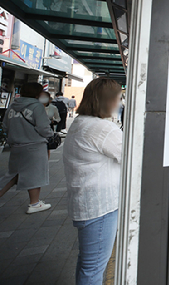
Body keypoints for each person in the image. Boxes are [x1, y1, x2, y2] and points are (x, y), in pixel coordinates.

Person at [63, 78, 123, 284]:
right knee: (94, 268)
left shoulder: (82, 122)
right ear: (107, 101)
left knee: (89, 263)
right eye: (118, 98)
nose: (120, 102)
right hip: (101, 207)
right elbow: (132, 155)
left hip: (87, 203)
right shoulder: (102, 129)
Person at [0, 82, 54, 213]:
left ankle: (34, 203)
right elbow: (43, 127)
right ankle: (34, 203)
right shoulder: (37, 107)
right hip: (34, 146)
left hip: (16, 146)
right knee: (36, 175)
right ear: (37, 93)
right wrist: (51, 135)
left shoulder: (13, 105)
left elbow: (5, 126)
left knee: (13, 175)